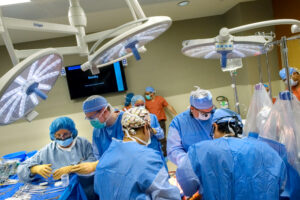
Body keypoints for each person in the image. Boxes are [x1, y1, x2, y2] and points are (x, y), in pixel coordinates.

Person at [176, 108, 287, 200]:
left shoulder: (199, 150)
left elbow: (187, 186)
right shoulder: (266, 150)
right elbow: (282, 187)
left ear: (214, 126)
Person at [94, 107, 181, 200]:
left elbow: (98, 189)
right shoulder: (148, 157)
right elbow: (167, 196)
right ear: (145, 128)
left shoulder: (106, 155)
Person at [17, 117, 96, 182]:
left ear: (72, 132)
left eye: (65, 134)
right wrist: (34, 169)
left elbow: (94, 162)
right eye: (58, 135)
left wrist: (71, 169)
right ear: (53, 135)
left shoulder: (83, 144)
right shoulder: (48, 150)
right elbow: (21, 169)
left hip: (87, 187)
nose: (62, 138)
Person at [72, 95, 125, 174]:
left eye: (92, 118)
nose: (91, 122)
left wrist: (97, 165)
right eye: (88, 119)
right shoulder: (97, 130)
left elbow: (129, 153)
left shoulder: (127, 122)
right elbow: (98, 155)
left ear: (104, 111)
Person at [167, 87, 214, 166]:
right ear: (192, 108)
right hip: (192, 167)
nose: (208, 115)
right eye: (203, 113)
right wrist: (189, 162)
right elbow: (173, 150)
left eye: (210, 111)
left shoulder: (217, 116)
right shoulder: (178, 122)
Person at [131, 95, 167, 169]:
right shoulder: (130, 119)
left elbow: (161, 135)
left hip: (154, 150)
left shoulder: (152, 117)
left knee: (161, 173)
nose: (140, 107)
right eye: (137, 105)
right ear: (132, 105)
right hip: (140, 153)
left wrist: (153, 130)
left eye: (142, 105)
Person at [145, 86, 177, 156]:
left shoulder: (160, 99)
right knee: (153, 139)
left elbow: (168, 106)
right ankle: (157, 154)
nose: (146, 95)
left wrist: (176, 114)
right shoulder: (146, 102)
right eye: (146, 93)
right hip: (151, 123)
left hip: (160, 121)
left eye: (147, 93)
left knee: (162, 138)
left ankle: (165, 154)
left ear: (152, 93)